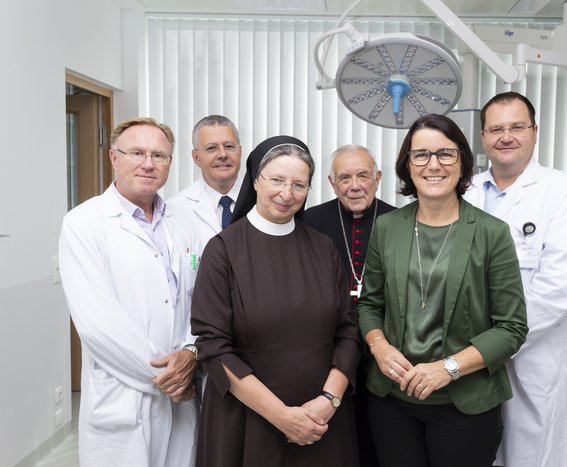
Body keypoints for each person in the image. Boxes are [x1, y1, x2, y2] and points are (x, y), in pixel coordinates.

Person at [357, 114, 528, 467]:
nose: (433, 164)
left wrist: (447, 368)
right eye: (420, 154)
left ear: (462, 161)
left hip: (464, 404)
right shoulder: (387, 228)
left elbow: (511, 328)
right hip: (393, 401)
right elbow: (369, 304)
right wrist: (380, 347)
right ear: (407, 165)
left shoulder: (491, 233)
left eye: (445, 154)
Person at [190, 136, 361, 467]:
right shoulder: (223, 250)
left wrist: (329, 400)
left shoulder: (324, 248)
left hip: (321, 419)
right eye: (277, 180)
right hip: (248, 419)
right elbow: (214, 346)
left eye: (299, 184)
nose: (287, 193)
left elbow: (348, 330)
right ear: (255, 180)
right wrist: (282, 417)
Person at [58, 117, 200, 467]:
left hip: (181, 387)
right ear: (114, 158)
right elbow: (97, 323)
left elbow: (201, 301)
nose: (149, 163)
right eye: (137, 152)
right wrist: (170, 379)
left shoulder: (184, 221)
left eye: (160, 155)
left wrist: (191, 353)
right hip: (126, 392)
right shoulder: (83, 223)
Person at [464, 91, 567, 467]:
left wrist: (494, 342)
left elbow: (558, 290)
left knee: (529, 454)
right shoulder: (464, 190)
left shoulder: (562, 191)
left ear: (535, 132)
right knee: (472, 451)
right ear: (483, 136)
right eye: (496, 128)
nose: (507, 136)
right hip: (467, 352)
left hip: (530, 354)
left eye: (517, 127)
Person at [304, 144, 395, 467]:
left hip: (383, 352)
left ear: (378, 178)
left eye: (362, 176)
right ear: (331, 182)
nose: (354, 185)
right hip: (328, 352)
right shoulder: (310, 221)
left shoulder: (397, 221)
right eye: (344, 177)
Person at [168, 115, 242, 238]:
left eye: (229, 146)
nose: (222, 155)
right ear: (196, 158)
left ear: (240, 152)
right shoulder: (175, 210)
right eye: (211, 148)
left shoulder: (263, 200)